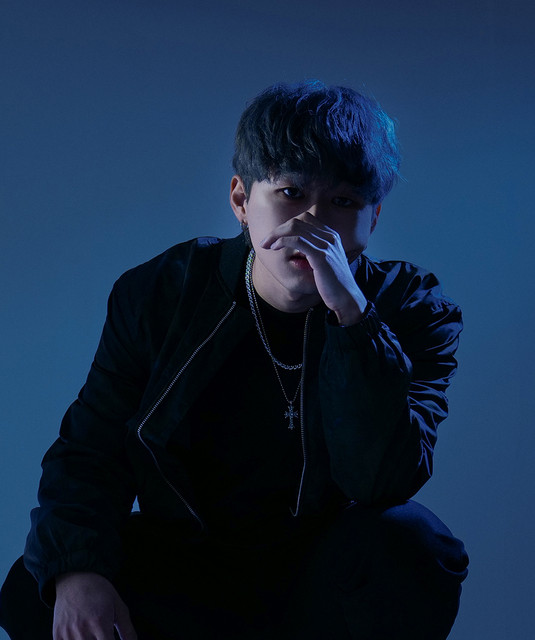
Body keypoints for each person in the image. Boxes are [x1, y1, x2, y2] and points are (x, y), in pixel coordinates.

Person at [0, 80, 468, 640]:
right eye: (291, 192)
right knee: (41, 586)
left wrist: (353, 316)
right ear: (241, 200)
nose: (313, 224)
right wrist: (78, 570)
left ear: (373, 218)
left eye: (343, 202)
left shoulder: (413, 309)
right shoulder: (161, 293)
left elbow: (381, 482)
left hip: (323, 581)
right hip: (191, 571)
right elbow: (91, 448)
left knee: (415, 545)